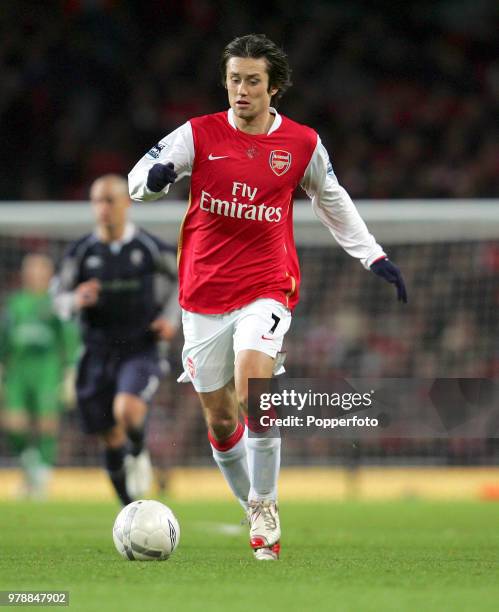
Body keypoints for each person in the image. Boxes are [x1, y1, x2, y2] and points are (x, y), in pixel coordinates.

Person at [128, 34, 407, 560]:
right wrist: (156, 180)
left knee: (255, 383)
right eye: (234, 79)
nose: (241, 89)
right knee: (220, 416)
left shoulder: (301, 144)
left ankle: (265, 506)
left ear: (273, 87)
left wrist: (372, 255)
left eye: (253, 80)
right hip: (203, 292)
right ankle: (252, 506)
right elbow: (137, 177)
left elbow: (332, 198)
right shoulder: (197, 134)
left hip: (267, 286)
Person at [52, 174, 179, 506]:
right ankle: (129, 508)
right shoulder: (81, 252)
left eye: (109, 200)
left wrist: (170, 317)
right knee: (109, 436)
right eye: (97, 201)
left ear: (126, 203)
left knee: (127, 410)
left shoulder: (149, 247)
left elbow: (184, 280)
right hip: (96, 352)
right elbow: (58, 300)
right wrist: (76, 300)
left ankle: (138, 451)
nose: (103, 208)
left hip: (141, 347)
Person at [0, 254, 79, 498]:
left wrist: (70, 374)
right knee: (12, 422)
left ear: (48, 275)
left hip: (47, 369)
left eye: (40, 270)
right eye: (31, 270)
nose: (35, 275)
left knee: (47, 424)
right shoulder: (15, 303)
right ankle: (30, 462)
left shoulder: (56, 303)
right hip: (18, 371)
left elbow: (69, 339)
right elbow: (4, 339)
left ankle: (41, 477)